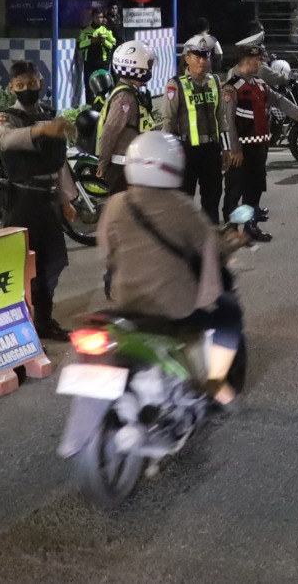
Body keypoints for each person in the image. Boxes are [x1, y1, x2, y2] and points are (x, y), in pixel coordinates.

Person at [97, 131, 244, 404]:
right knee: (228, 313)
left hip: (126, 302)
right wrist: (233, 243)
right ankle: (216, 382)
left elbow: (106, 246)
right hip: (172, 308)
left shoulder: (116, 203)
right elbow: (212, 247)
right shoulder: (181, 207)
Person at [0, 61, 75, 340]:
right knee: (23, 264)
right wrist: (40, 131)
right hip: (22, 201)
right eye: (20, 85)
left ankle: (44, 320)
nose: (27, 89)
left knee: (54, 261)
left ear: (41, 83)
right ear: (11, 88)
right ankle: (20, 323)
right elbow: (5, 140)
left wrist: (66, 199)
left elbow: (60, 164)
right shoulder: (7, 118)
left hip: (48, 200)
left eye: (31, 83)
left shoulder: (50, 116)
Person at [223, 42, 298, 239]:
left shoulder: (258, 84)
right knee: (235, 188)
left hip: (259, 147)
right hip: (242, 149)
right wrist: (235, 149)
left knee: (254, 188)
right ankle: (230, 228)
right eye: (258, 60)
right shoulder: (232, 88)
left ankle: (250, 226)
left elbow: (280, 101)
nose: (261, 64)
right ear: (248, 61)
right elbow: (228, 121)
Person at [163, 36, 237, 222]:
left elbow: (221, 117)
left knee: (212, 199)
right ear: (187, 58)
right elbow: (168, 122)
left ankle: (210, 235)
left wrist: (226, 148)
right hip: (186, 151)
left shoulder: (214, 81)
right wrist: (168, 155)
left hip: (211, 151)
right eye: (198, 57)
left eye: (206, 57)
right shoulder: (175, 84)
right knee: (184, 200)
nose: (202, 61)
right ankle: (185, 237)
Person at [96, 40, 158, 195]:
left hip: (130, 164)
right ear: (136, 67)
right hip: (122, 167)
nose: (150, 68)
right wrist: (103, 164)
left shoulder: (130, 91)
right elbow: (110, 132)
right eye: (148, 65)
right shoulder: (125, 97)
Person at [76, 9, 117, 100]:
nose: (99, 19)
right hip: (89, 62)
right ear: (92, 18)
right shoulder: (85, 30)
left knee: (105, 85)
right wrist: (91, 41)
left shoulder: (106, 30)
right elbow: (79, 45)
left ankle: (103, 104)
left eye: (101, 17)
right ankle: (90, 105)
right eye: (97, 17)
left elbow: (113, 45)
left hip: (103, 62)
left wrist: (104, 41)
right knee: (89, 86)